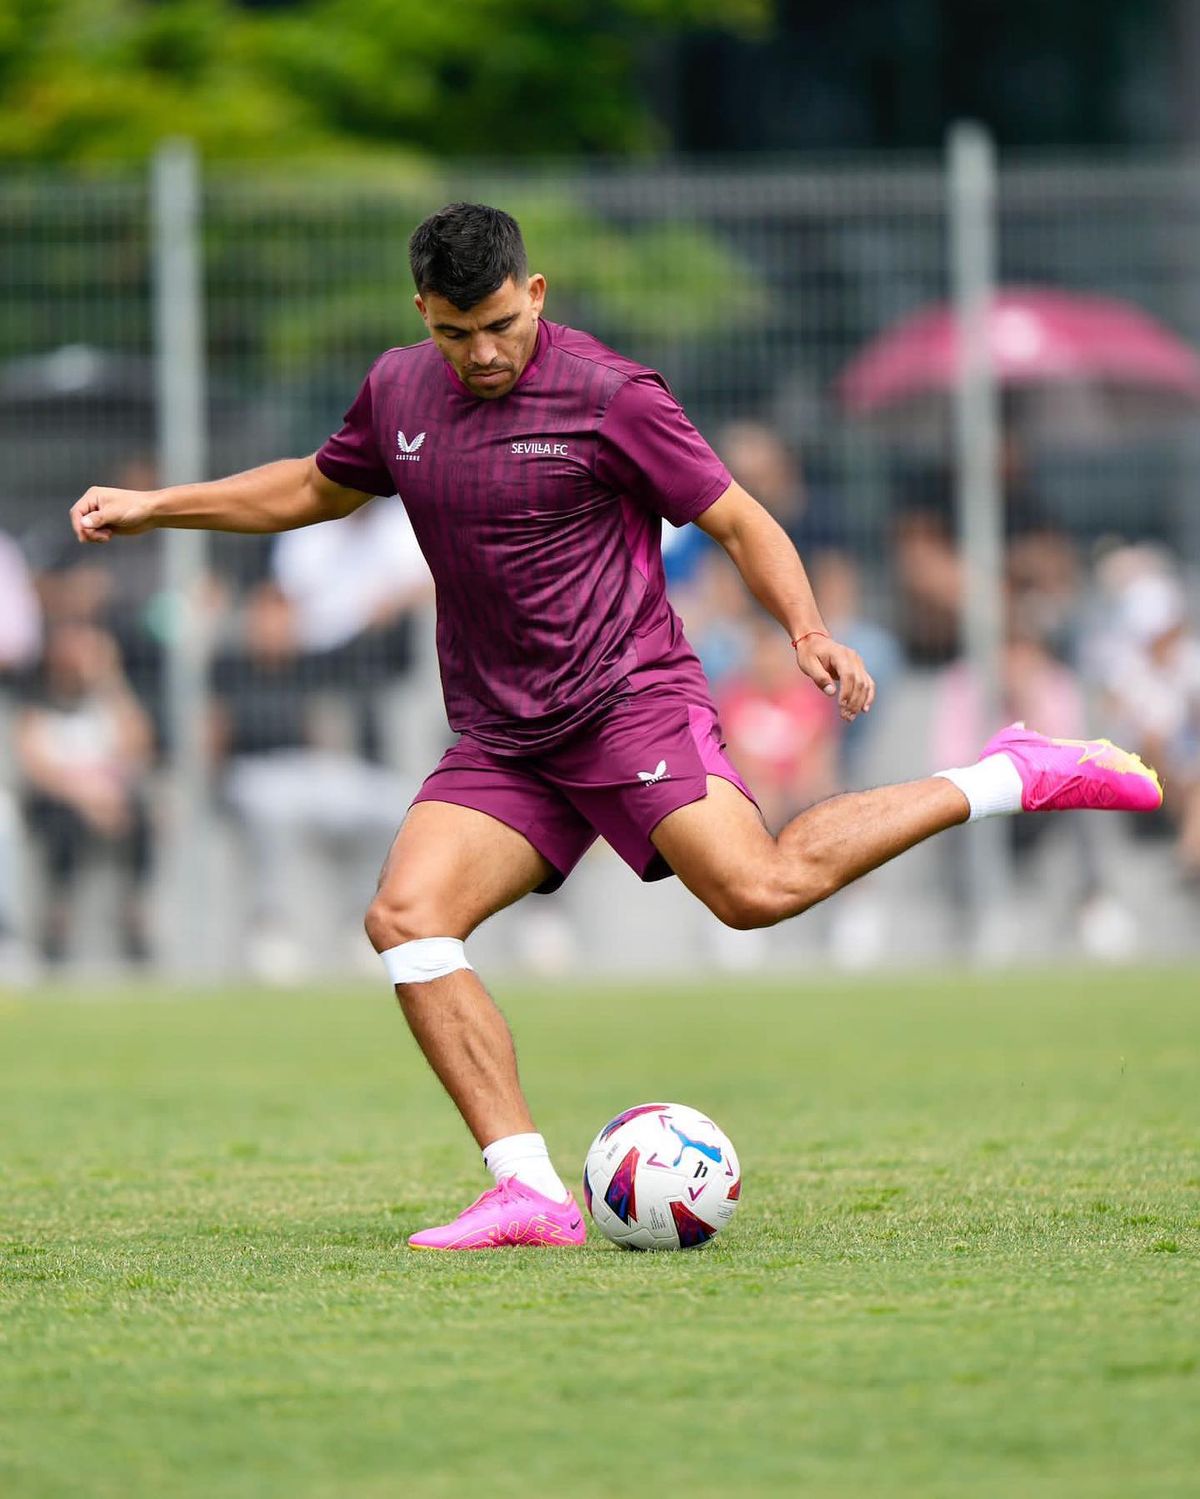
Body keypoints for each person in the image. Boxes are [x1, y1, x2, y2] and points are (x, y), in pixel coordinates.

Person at [70, 203, 1163, 1251]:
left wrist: (808, 628)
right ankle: (529, 1192)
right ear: (421, 316)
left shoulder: (611, 394)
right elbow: (315, 488)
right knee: (408, 917)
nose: (484, 352)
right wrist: (156, 504)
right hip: (503, 735)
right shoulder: (399, 389)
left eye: (501, 324)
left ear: (534, 292)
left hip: (628, 697)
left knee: (757, 892)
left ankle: (1011, 773)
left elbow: (736, 515)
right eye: (457, 333)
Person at [14, 621, 155, 965]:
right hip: (63, 799)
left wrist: (111, 680)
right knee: (64, 825)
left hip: (109, 798)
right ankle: (57, 917)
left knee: (142, 814)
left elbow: (139, 747)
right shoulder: (38, 705)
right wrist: (86, 797)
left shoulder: (107, 704)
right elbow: (38, 768)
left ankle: (134, 910)